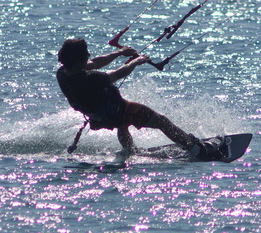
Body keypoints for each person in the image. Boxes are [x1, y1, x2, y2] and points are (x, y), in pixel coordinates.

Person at [56, 38, 219, 158]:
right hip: (119, 110)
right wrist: (136, 61)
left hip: (98, 117)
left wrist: (119, 52)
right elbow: (118, 74)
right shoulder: (90, 78)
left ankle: (130, 151)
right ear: (78, 61)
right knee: (161, 122)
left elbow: (95, 62)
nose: (89, 55)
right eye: (85, 54)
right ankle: (195, 148)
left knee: (121, 124)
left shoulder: (63, 73)